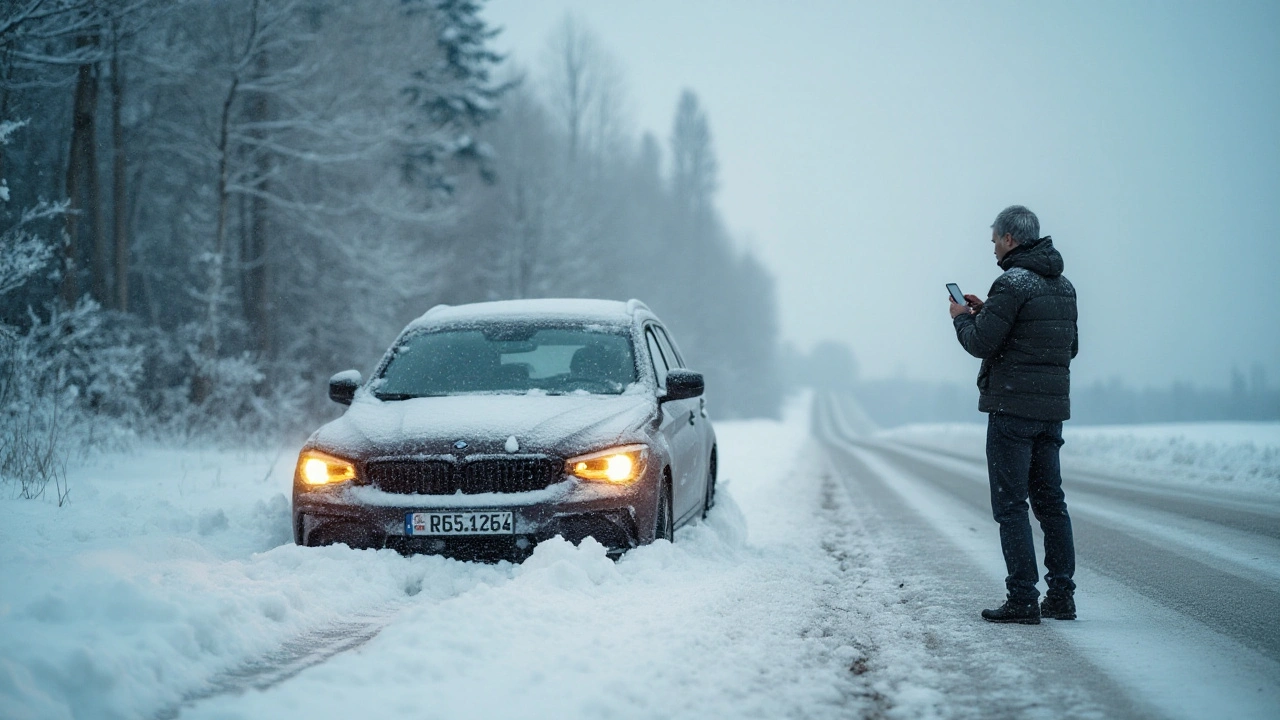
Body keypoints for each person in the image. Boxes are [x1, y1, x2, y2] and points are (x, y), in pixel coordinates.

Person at [949, 205, 1078, 624]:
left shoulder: (1012, 282)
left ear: (1008, 238)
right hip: (1050, 411)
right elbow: (1067, 347)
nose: (992, 251)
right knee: (1051, 505)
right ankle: (1061, 597)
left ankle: (1023, 599)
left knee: (1011, 507)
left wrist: (962, 319)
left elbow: (982, 344)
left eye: (993, 242)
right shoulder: (1063, 286)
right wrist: (989, 308)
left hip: (1011, 410)